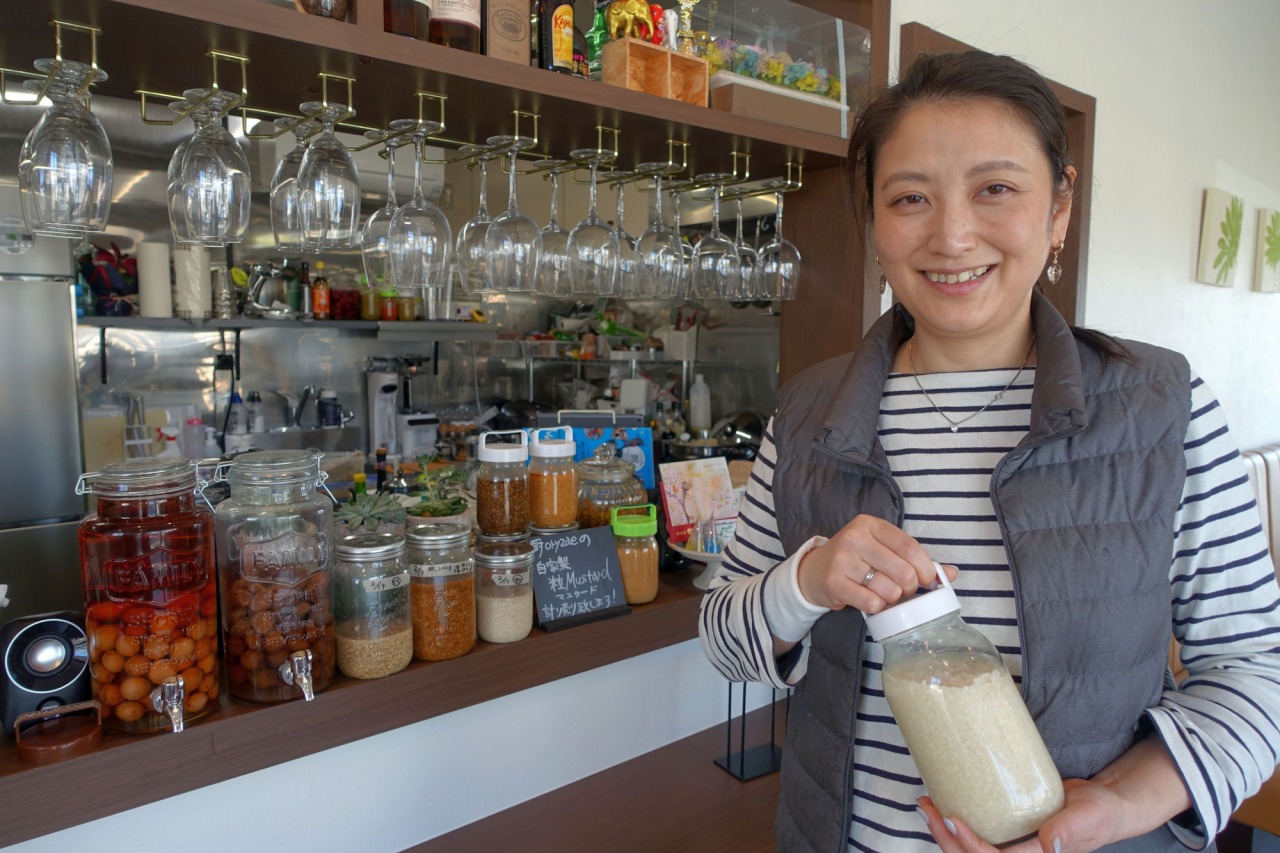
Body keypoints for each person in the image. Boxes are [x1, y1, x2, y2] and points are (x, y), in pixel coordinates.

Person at [698, 50, 1280, 853]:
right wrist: (806, 579)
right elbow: (723, 637)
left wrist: (1114, 808)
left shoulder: (1163, 408)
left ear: (1058, 210)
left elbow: (1254, 674)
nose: (952, 235)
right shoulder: (806, 412)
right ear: (874, 222)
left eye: (996, 188)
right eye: (910, 198)